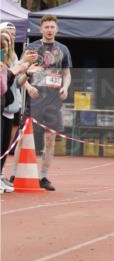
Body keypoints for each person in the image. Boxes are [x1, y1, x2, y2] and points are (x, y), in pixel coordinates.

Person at [23, 15, 72, 191]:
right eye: (46, 27)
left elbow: (66, 74)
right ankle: (17, 173)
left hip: (53, 102)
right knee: (26, 138)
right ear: (41, 29)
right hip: (34, 100)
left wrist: (65, 87)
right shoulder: (32, 48)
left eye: (52, 27)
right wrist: (28, 87)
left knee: (50, 140)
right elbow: (21, 72)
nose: (49, 30)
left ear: (56, 29)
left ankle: (43, 176)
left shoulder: (63, 49)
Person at [1, 32, 39, 193]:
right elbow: (3, 85)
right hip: (4, 107)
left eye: (10, 41)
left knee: (4, 147)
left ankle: (1, 175)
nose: (7, 45)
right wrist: (19, 67)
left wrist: (27, 73)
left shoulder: (10, 60)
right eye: (4, 42)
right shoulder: (5, 64)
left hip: (8, 107)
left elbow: (15, 84)